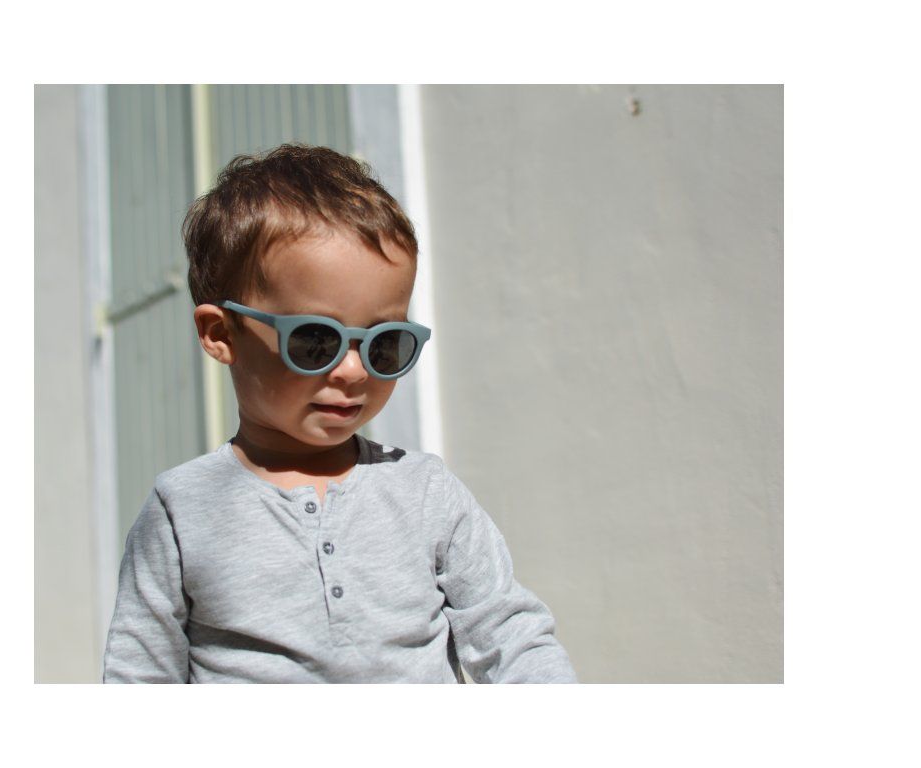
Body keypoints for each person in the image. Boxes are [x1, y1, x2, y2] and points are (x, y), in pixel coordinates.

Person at [103, 144, 576, 683]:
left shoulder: (423, 491)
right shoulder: (183, 509)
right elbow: (139, 675)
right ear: (221, 334)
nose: (353, 371)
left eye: (385, 344)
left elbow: (509, 632)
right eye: (315, 340)